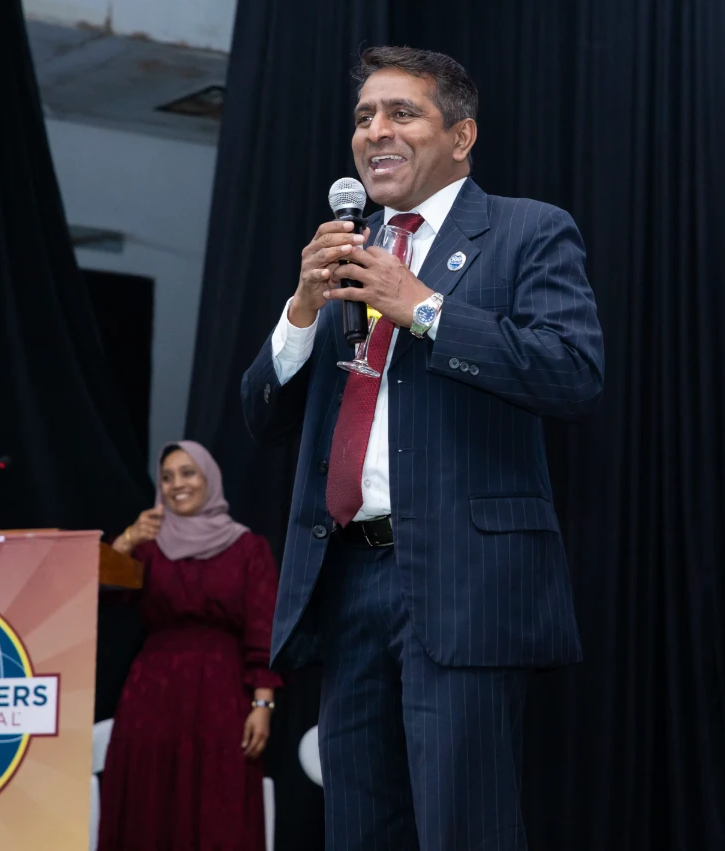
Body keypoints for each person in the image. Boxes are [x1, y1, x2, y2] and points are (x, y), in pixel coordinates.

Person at [241, 47, 605, 850]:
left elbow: (574, 373)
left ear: (461, 135)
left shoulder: (527, 231)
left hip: (463, 583)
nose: (375, 130)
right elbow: (262, 418)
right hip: (347, 577)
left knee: (463, 825)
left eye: (401, 112)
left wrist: (426, 309)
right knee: (357, 827)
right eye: (364, 116)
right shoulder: (343, 253)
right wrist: (301, 309)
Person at [98, 440, 282, 851]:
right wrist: (126, 539)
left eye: (187, 473)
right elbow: (100, 590)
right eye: (166, 477)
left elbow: (264, 630)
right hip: (152, 696)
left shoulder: (248, 548)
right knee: (150, 804)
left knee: (218, 803)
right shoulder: (149, 545)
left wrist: (263, 704)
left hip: (221, 696)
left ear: (209, 478)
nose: (176, 484)